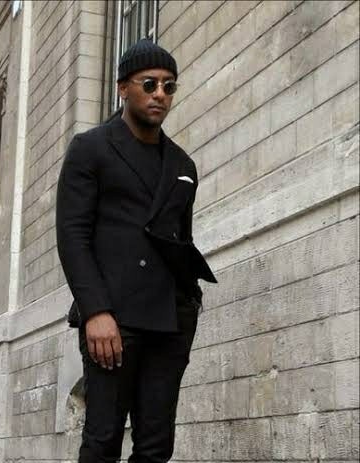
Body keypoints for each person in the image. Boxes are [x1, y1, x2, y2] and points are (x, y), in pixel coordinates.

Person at [56, 38, 217, 463]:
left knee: (156, 446)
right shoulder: (90, 149)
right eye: (149, 84)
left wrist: (190, 302)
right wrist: (95, 311)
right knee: (102, 440)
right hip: (114, 316)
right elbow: (72, 235)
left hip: (170, 319)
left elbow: (179, 239)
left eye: (169, 86)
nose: (160, 94)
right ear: (123, 88)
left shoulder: (182, 165)